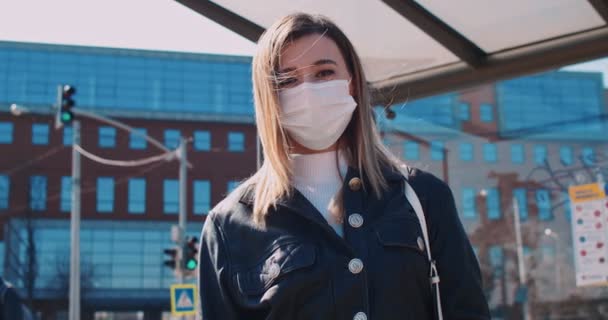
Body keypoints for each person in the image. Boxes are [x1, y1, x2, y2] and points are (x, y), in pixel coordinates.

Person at [198, 13, 490, 320]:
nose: (308, 91)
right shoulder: (228, 226)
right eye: (288, 79)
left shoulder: (422, 198)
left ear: (352, 83)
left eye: (324, 73)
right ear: (268, 97)